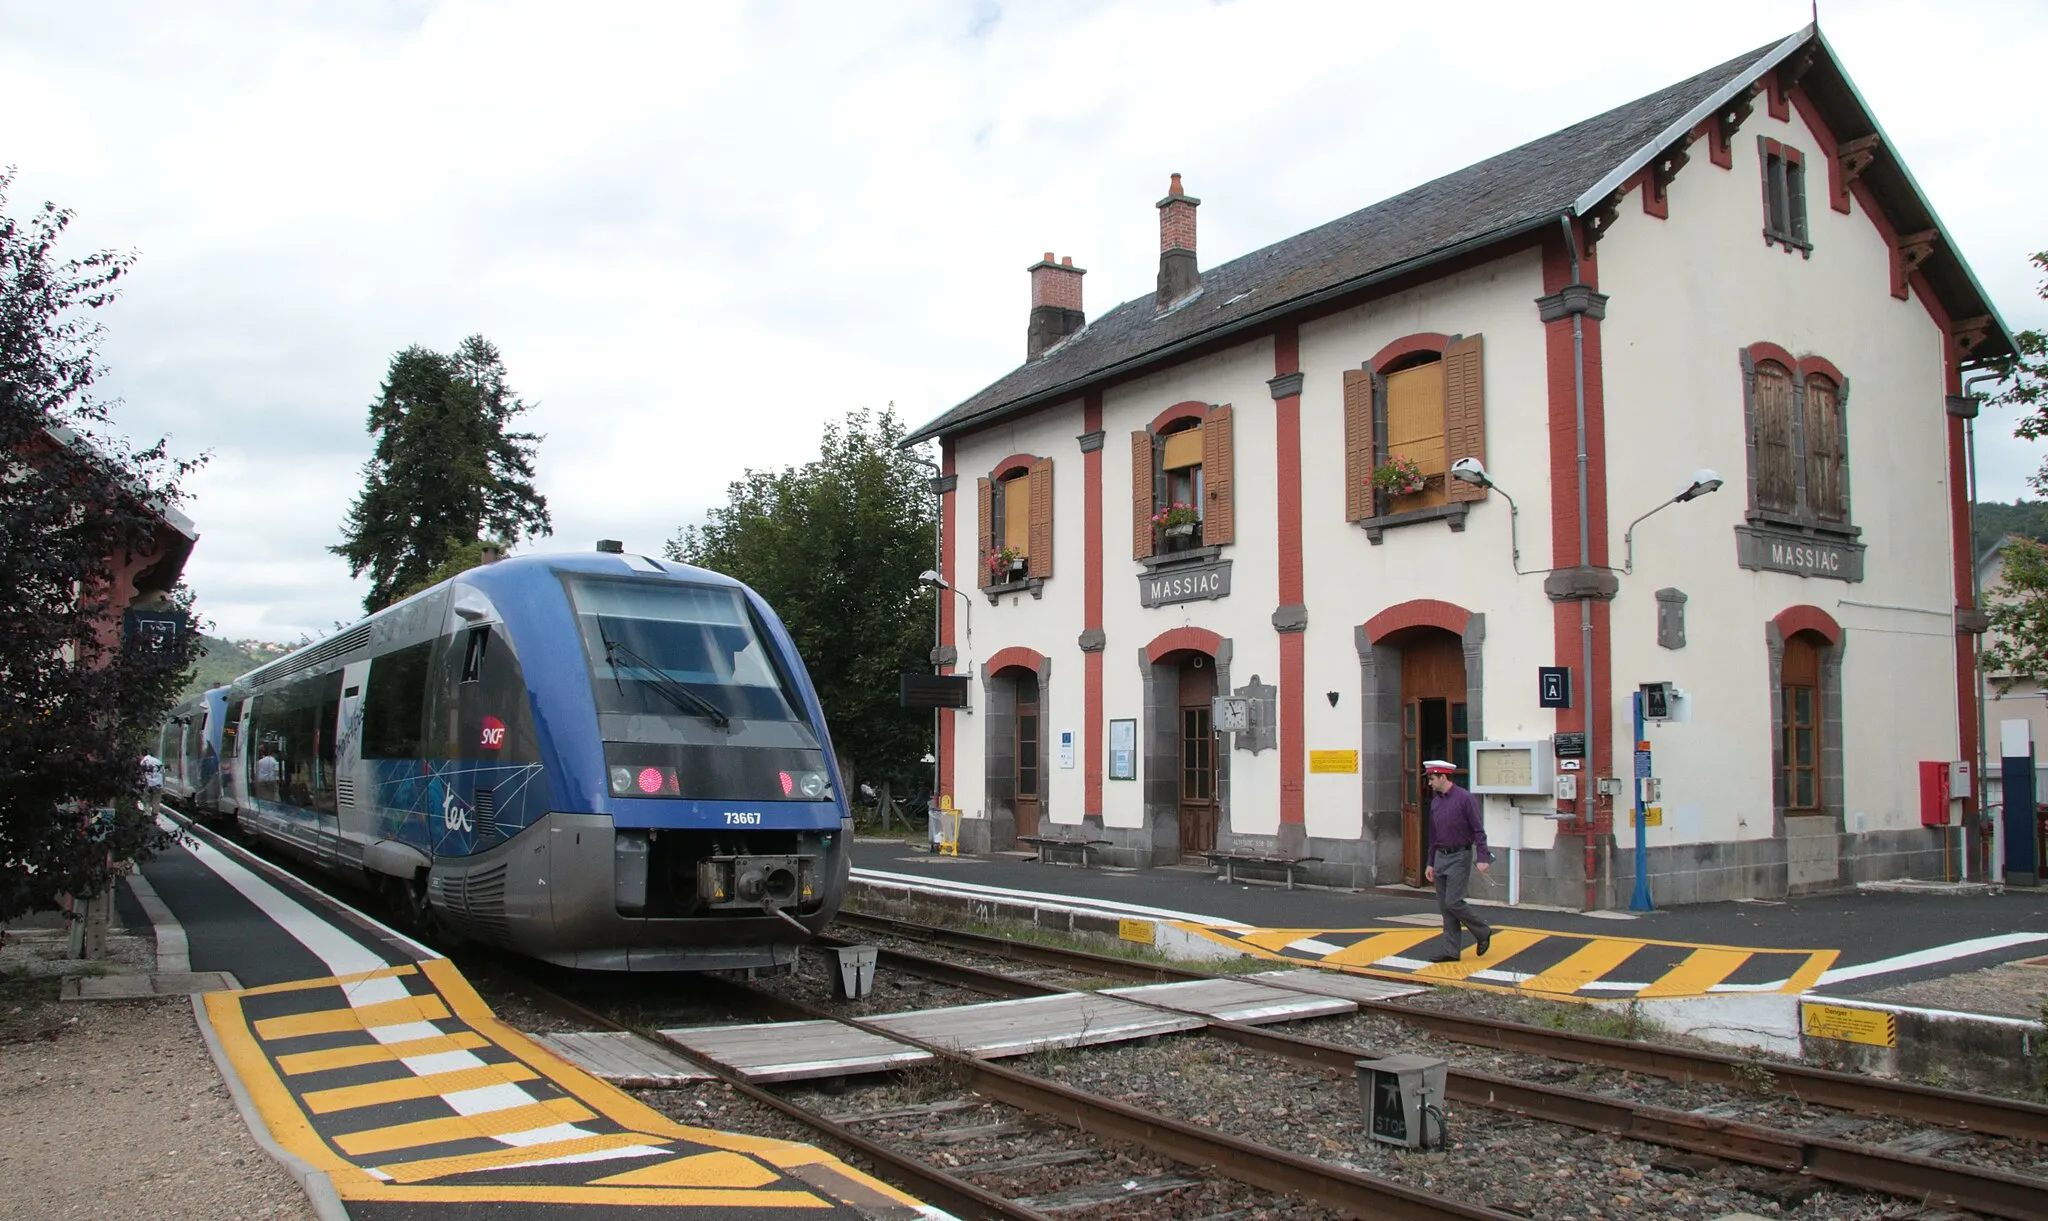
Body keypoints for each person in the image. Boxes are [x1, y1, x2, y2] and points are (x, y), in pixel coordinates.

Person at [1421, 759, 1492, 962]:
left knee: (1454, 901)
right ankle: (1451, 951)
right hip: (1441, 856)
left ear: (1443, 777)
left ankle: (1482, 930)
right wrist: (1430, 862)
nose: (1430, 783)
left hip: (1460, 855)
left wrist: (1483, 857)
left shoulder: (1465, 798)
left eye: (1432, 779)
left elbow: (1478, 829)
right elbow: (1434, 835)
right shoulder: (1436, 802)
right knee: (1445, 907)